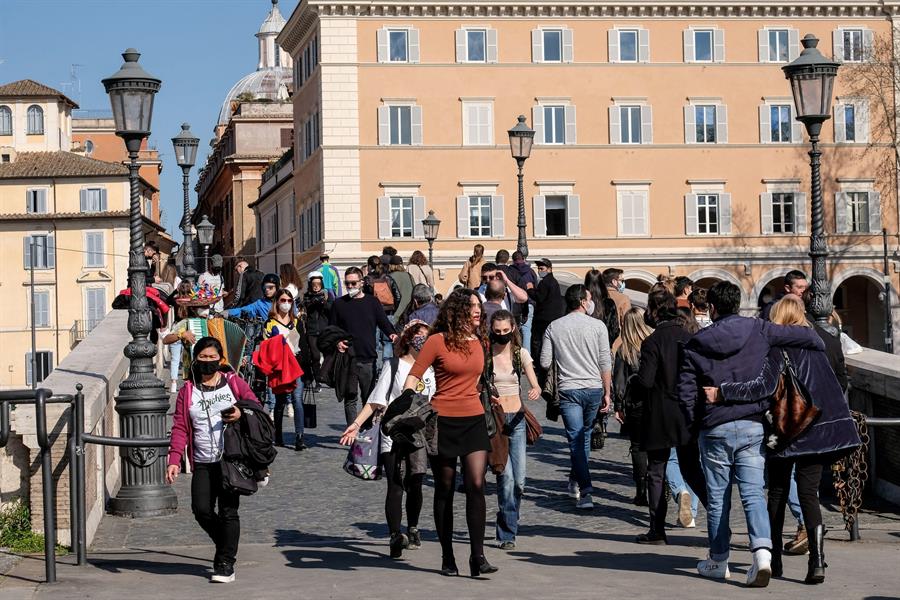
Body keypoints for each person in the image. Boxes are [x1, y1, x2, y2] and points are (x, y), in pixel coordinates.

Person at [678, 281, 825, 586]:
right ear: (739, 304)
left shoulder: (696, 342)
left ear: (712, 308)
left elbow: (686, 393)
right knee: (753, 493)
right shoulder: (759, 329)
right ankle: (762, 555)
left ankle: (718, 560)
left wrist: (696, 424)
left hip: (715, 426)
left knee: (718, 497)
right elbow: (812, 338)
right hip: (752, 423)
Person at [710, 295, 860, 585]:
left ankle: (774, 559)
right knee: (809, 495)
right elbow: (839, 381)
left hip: (787, 429)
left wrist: (724, 392)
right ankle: (817, 562)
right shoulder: (822, 342)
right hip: (818, 428)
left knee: (777, 493)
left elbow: (764, 387)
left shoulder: (777, 349)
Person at [401, 289, 498, 578]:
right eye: (472, 306)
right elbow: (414, 374)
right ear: (457, 310)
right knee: (444, 488)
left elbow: (479, 379)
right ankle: (447, 556)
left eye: (479, 306)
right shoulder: (436, 341)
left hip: (474, 419)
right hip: (442, 420)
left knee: (476, 484)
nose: (478, 311)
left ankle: (477, 556)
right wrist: (408, 403)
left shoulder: (481, 341)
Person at [165, 336, 260, 583]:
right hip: (203, 460)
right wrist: (174, 458)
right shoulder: (188, 391)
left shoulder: (234, 383)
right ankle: (227, 544)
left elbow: (256, 407)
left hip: (231, 458)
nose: (207, 362)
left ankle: (226, 563)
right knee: (201, 509)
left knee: (229, 511)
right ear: (195, 359)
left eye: (212, 358)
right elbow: (179, 428)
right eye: (203, 357)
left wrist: (240, 411)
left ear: (221, 360)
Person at [340, 321, 436, 559]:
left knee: (415, 482)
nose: (423, 341)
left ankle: (412, 527)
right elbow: (375, 400)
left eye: (427, 337)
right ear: (409, 340)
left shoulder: (433, 369)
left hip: (420, 434)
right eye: (419, 337)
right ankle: (395, 535)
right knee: (395, 484)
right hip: (391, 433)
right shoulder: (393, 366)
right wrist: (355, 425)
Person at [632, 289, 707, 545]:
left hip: (660, 412)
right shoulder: (688, 338)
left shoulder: (652, 342)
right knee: (692, 468)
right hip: (687, 410)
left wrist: (634, 382)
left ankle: (657, 529)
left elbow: (646, 380)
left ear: (652, 310)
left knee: (656, 470)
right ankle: (718, 518)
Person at [540, 284, 611, 510]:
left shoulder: (554, 326)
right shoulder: (598, 326)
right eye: (589, 298)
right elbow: (605, 362)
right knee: (584, 436)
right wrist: (607, 392)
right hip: (593, 388)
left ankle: (579, 483)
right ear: (582, 301)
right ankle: (584, 486)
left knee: (576, 439)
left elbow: (544, 361)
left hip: (568, 389)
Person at [488, 310, 541, 550]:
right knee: (506, 478)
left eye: (505, 331)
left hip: (517, 419)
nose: (501, 335)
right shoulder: (486, 355)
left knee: (520, 482)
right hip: (497, 423)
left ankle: (511, 515)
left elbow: (534, 382)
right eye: (497, 331)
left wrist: (536, 389)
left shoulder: (520, 354)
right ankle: (506, 533)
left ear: (512, 330)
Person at [330, 267, 397, 425]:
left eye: (353, 283)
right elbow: (331, 330)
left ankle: (366, 431)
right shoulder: (339, 304)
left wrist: (393, 335)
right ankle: (352, 433)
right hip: (348, 359)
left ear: (361, 282)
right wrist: (336, 341)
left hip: (368, 358)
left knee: (368, 399)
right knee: (350, 398)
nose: (351, 287)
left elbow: (384, 323)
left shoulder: (372, 302)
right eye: (347, 284)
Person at [613, 307, 652, 507]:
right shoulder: (654, 344)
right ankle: (659, 484)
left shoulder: (625, 350)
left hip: (635, 404)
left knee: (637, 447)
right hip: (655, 402)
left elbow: (619, 382)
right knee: (657, 445)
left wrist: (618, 406)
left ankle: (641, 489)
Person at [264, 288, 308, 450]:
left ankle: (299, 436)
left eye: (289, 301)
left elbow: (304, 345)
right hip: (280, 367)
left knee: (297, 400)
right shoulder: (270, 324)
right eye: (283, 300)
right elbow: (266, 346)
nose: (286, 304)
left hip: (296, 365)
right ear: (277, 303)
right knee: (281, 402)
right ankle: (278, 435)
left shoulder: (297, 322)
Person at [528, 258, 565, 388]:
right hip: (553, 317)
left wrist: (530, 289)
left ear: (549, 269)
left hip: (543, 319)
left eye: (542, 269)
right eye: (539, 268)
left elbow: (539, 297)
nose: (540, 271)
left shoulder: (545, 282)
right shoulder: (553, 281)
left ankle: (540, 368)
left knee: (538, 343)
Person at [302, 271, 333, 391]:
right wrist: (311, 302)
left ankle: (328, 377)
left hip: (324, 329)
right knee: (315, 356)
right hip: (312, 330)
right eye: (314, 284)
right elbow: (305, 308)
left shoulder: (326, 294)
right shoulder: (306, 295)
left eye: (318, 284)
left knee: (328, 355)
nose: (316, 286)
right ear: (310, 284)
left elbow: (331, 309)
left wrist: (323, 303)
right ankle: (318, 380)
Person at [510, 251, 538, 350]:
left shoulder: (510, 271)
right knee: (526, 332)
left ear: (513, 260)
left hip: (515, 304)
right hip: (529, 303)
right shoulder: (530, 271)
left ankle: (515, 356)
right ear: (524, 259)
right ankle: (526, 358)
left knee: (513, 331)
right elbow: (536, 286)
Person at [388, 255, 415, 320]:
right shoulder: (409, 276)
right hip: (409, 311)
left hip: (396, 313)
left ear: (391, 265)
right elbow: (415, 290)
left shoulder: (390, 277)